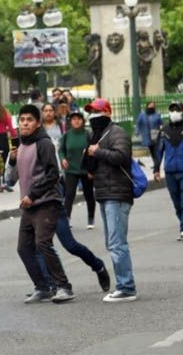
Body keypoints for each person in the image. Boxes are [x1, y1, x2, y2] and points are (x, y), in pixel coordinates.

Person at [6, 105, 75, 304]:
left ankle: (64, 287)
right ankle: (42, 287)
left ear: (37, 123)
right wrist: (12, 161)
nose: (25, 123)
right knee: (23, 248)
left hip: (46, 202)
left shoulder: (44, 143)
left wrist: (33, 194)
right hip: (29, 205)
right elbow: (10, 180)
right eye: (22, 120)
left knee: (43, 244)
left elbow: (53, 174)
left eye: (29, 120)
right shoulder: (20, 147)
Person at [82, 98, 137, 302]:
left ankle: (126, 287)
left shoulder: (117, 132)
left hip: (118, 193)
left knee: (117, 243)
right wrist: (89, 155)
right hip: (104, 193)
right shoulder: (95, 135)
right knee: (112, 242)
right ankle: (124, 285)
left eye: (96, 112)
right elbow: (90, 166)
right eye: (91, 112)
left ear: (107, 113)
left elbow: (122, 156)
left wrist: (98, 152)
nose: (93, 116)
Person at [154, 102, 183, 241]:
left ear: (182, 111)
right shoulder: (164, 131)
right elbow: (159, 151)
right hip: (170, 172)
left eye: (177, 110)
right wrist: (156, 169)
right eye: (172, 109)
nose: (174, 112)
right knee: (177, 204)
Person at [59, 112, 97, 228]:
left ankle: (91, 219)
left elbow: (93, 150)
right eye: (74, 119)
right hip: (71, 169)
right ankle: (67, 218)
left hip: (85, 169)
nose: (76, 121)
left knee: (88, 194)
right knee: (69, 194)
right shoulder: (67, 135)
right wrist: (63, 159)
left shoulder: (88, 134)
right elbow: (61, 150)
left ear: (82, 121)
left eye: (79, 119)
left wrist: (92, 170)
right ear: (70, 122)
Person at [135, 101, 163, 168]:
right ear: (147, 106)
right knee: (152, 150)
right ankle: (156, 163)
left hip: (156, 135)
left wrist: (162, 130)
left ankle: (157, 165)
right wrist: (137, 131)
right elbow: (138, 123)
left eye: (153, 105)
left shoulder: (157, 114)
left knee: (156, 150)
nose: (152, 106)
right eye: (150, 105)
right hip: (147, 136)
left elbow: (161, 123)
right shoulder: (142, 115)